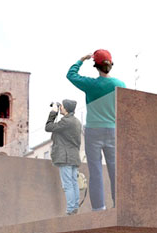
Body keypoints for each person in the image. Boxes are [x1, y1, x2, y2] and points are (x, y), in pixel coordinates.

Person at [66, 49, 126, 211]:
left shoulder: (91, 84)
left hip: (94, 131)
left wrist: (80, 60)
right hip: (113, 131)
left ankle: (99, 208)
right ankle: (118, 204)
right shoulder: (120, 85)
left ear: (95, 66)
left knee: (96, 170)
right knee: (115, 170)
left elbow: (71, 75)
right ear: (111, 65)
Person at [45, 99, 83, 216]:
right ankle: (74, 206)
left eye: (61, 106)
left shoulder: (66, 121)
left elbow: (48, 127)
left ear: (66, 108)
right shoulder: (76, 121)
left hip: (65, 157)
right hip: (73, 156)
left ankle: (71, 209)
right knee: (73, 183)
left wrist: (53, 113)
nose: (60, 107)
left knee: (67, 184)